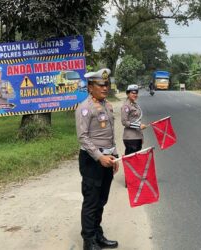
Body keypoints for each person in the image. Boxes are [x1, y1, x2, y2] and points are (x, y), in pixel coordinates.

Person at [75, 68, 119, 250]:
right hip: (92, 160)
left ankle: (97, 234)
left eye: (106, 84)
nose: (105, 87)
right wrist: (100, 157)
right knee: (91, 200)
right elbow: (83, 137)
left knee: (102, 200)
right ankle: (88, 240)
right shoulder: (84, 108)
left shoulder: (107, 106)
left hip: (107, 158)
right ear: (90, 87)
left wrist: (114, 156)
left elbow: (110, 134)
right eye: (101, 85)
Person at [121, 84, 147, 156]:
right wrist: (139, 126)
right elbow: (124, 122)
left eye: (136, 93)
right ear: (128, 93)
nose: (135, 95)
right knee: (131, 160)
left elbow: (137, 120)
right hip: (130, 138)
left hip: (137, 136)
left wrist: (141, 137)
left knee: (136, 160)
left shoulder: (135, 105)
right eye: (133, 93)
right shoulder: (126, 106)